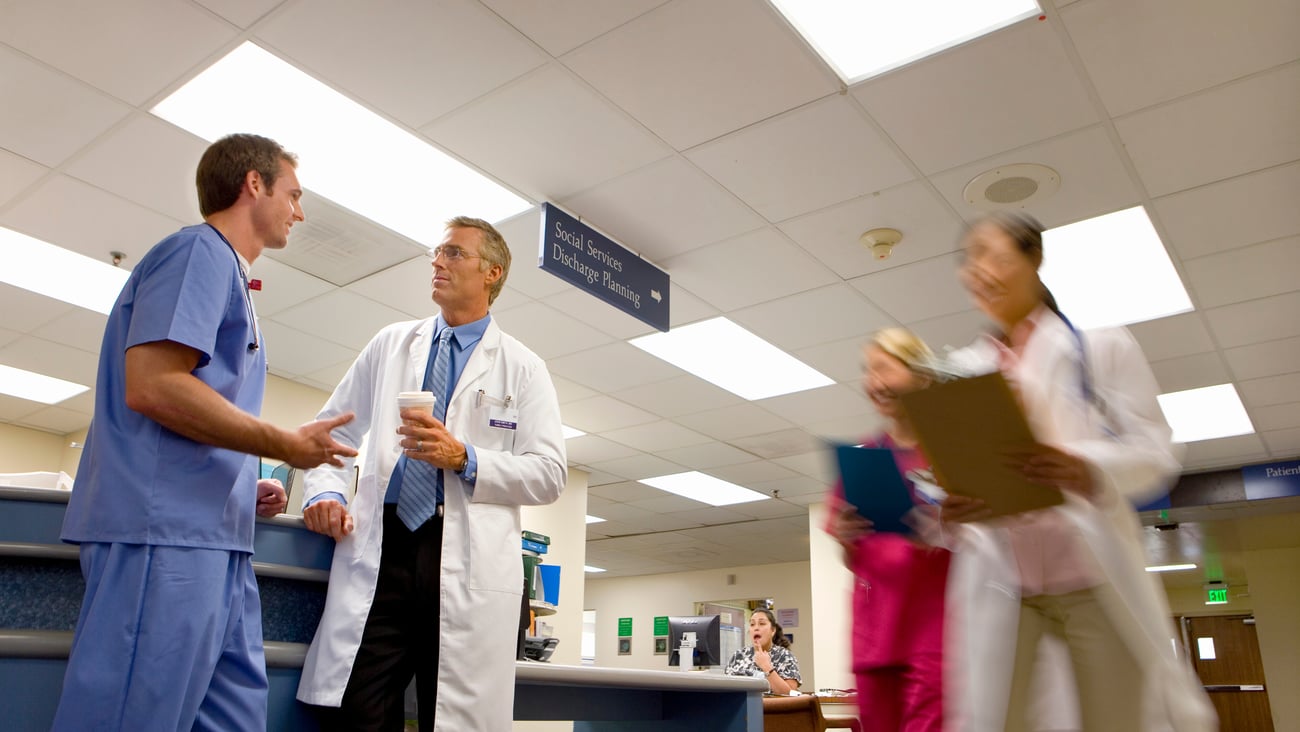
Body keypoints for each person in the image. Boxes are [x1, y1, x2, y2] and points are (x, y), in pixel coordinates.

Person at [52, 133, 359, 732]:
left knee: (231, 718)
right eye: (293, 194)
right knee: (129, 718)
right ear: (253, 185)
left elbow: (200, 407)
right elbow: (155, 385)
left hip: (217, 543)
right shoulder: (197, 253)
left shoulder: (232, 280)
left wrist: (245, 485)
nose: (299, 210)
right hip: (161, 536)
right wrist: (281, 444)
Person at [938, 212, 1215, 731]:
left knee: (1117, 719)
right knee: (1001, 720)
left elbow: (1156, 450)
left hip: (1091, 576)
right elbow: (952, 482)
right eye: (971, 260)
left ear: (1034, 260)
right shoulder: (965, 370)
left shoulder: (1101, 347)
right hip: (1006, 584)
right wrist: (953, 508)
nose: (982, 271)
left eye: (997, 256)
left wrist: (1084, 468)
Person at [296, 216, 567, 731]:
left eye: (453, 254)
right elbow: (333, 430)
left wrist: (465, 458)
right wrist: (323, 491)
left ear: (492, 272)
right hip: (386, 545)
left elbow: (550, 473)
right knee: (361, 710)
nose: (437, 263)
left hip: (463, 555)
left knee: (452, 717)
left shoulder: (523, 367)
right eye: (437, 253)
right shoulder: (392, 344)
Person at [824, 328, 950, 731]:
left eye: (884, 369)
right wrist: (847, 536)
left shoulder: (951, 454)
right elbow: (851, 557)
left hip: (935, 634)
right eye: (867, 371)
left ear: (921, 376)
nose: (873, 382)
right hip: (875, 636)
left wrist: (943, 528)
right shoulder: (863, 459)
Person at [724, 608, 802, 694]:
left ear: (773, 630)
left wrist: (766, 667)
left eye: (762, 623)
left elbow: (791, 694)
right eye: (752, 624)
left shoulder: (784, 656)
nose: (756, 628)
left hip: (771, 706)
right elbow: (726, 688)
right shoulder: (738, 655)